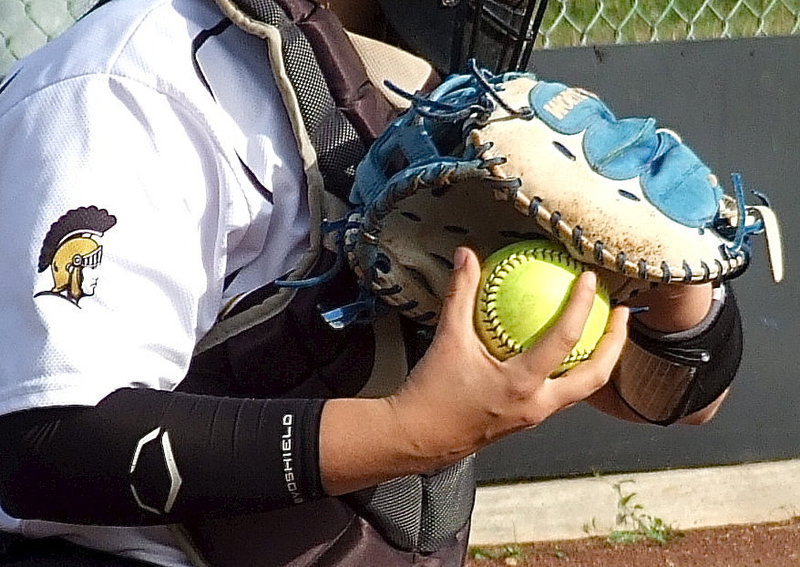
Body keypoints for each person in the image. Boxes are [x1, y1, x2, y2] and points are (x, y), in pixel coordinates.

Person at [0, 0, 741, 565]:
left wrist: (673, 286)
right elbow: (44, 445)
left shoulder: (437, 95)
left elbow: (672, 397)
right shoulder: (131, 81)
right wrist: (408, 431)